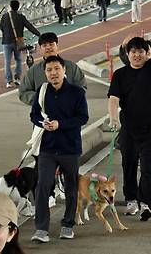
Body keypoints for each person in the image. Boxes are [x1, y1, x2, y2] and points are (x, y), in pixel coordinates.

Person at [107, 14, 151, 221]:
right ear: (127, 54)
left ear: (146, 54)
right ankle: (131, 200)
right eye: (133, 51)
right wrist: (113, 118)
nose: (137, 55)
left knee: (148, 167)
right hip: (129, 130)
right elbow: (114, 99)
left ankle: (146, 204)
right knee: (129, 165)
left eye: (141, 51)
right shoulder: (120, 75)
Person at [30, 55, 89, 242]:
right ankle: (41, 230)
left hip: (70, 148)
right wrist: (42, 122)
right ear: (45, 73)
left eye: (56, 69)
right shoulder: (42, 91)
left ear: (64, 71)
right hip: (47, 148)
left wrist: (60, 124)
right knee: (43, 186)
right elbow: (33, 115)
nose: (53, 73)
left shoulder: (77, 92)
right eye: (49, 70)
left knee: (71, 188)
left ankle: (67, 225)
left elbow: (83, 118)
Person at [18, 32, 87, 106]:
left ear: (57, 45)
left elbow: (82, 87)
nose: (48, 47)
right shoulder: (34, 71)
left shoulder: (71, 67)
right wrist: (42, 98)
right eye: (44, 45)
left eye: (51, 44)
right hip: (44, 114)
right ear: (40, 48)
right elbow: (23, 92)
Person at [0, 0, 41, 88]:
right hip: (18, 41)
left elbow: (1, 27)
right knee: (18, 60)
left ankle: (8, 81)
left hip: (6, 41)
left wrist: (7, 34)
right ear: (18, 7)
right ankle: (17, 78)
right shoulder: (21, 16)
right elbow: (29, 26)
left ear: (10, 6)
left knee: (7, 61)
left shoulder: (5, 16)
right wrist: (39, 34)